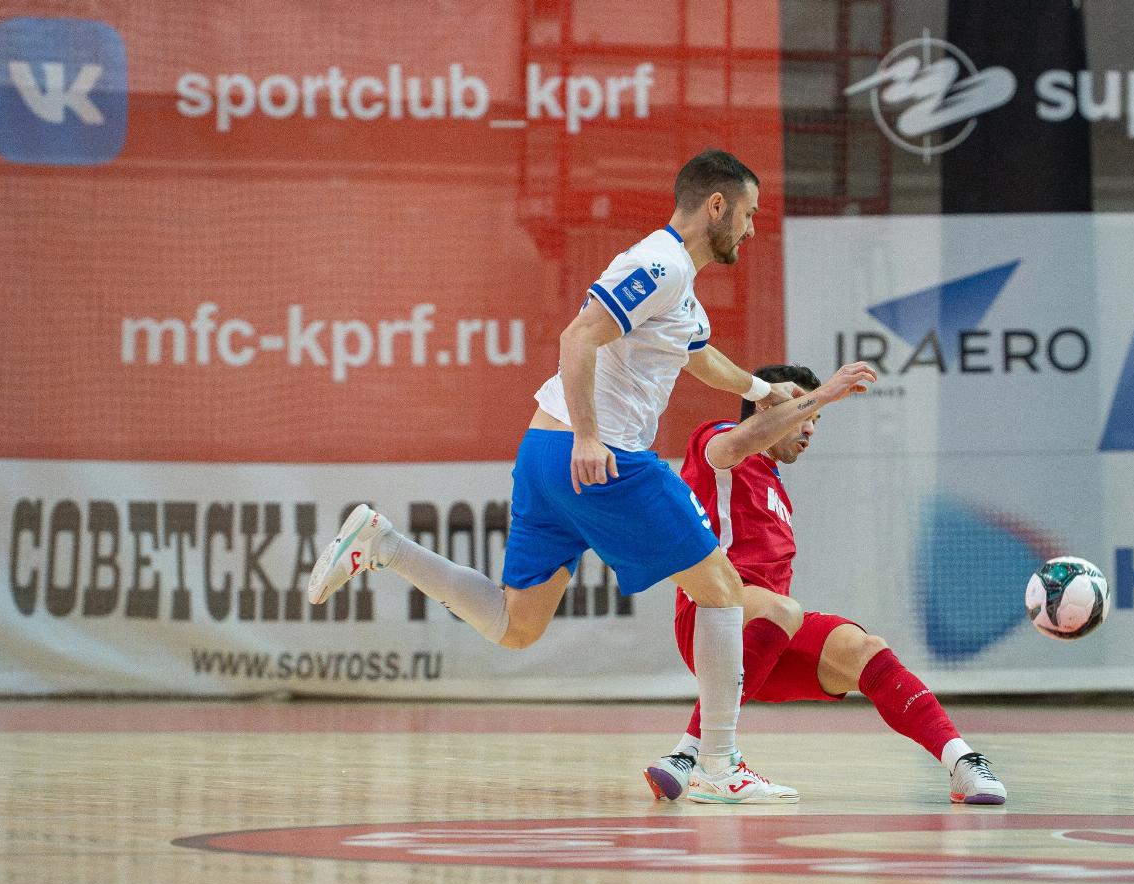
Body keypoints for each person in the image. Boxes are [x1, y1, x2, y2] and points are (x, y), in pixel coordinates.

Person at [307, 149, 802, 801]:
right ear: (717, 206)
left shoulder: (676, 284)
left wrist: (761, 390)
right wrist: (591, 436)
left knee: (516, 625)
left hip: (546, 453)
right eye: (748, 213)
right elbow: (578, 337)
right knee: (721, 587)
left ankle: (385, 545)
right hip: (599, 455)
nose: (752, 228)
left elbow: (698, 355)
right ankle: (718, 765)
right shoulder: (661, 264)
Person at [643, 363, 1009, 806]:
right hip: (710, 620)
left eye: (816, 419)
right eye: (804, 413)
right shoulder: (718, 443)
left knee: (865, 650)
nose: (811, 428)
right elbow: (737, 443)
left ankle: (963, 763)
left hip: (764, 639)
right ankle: (694, 755)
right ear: (765, 407)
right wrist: (828, 392)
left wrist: (812, 404)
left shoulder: (777, 489)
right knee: (784, 609)